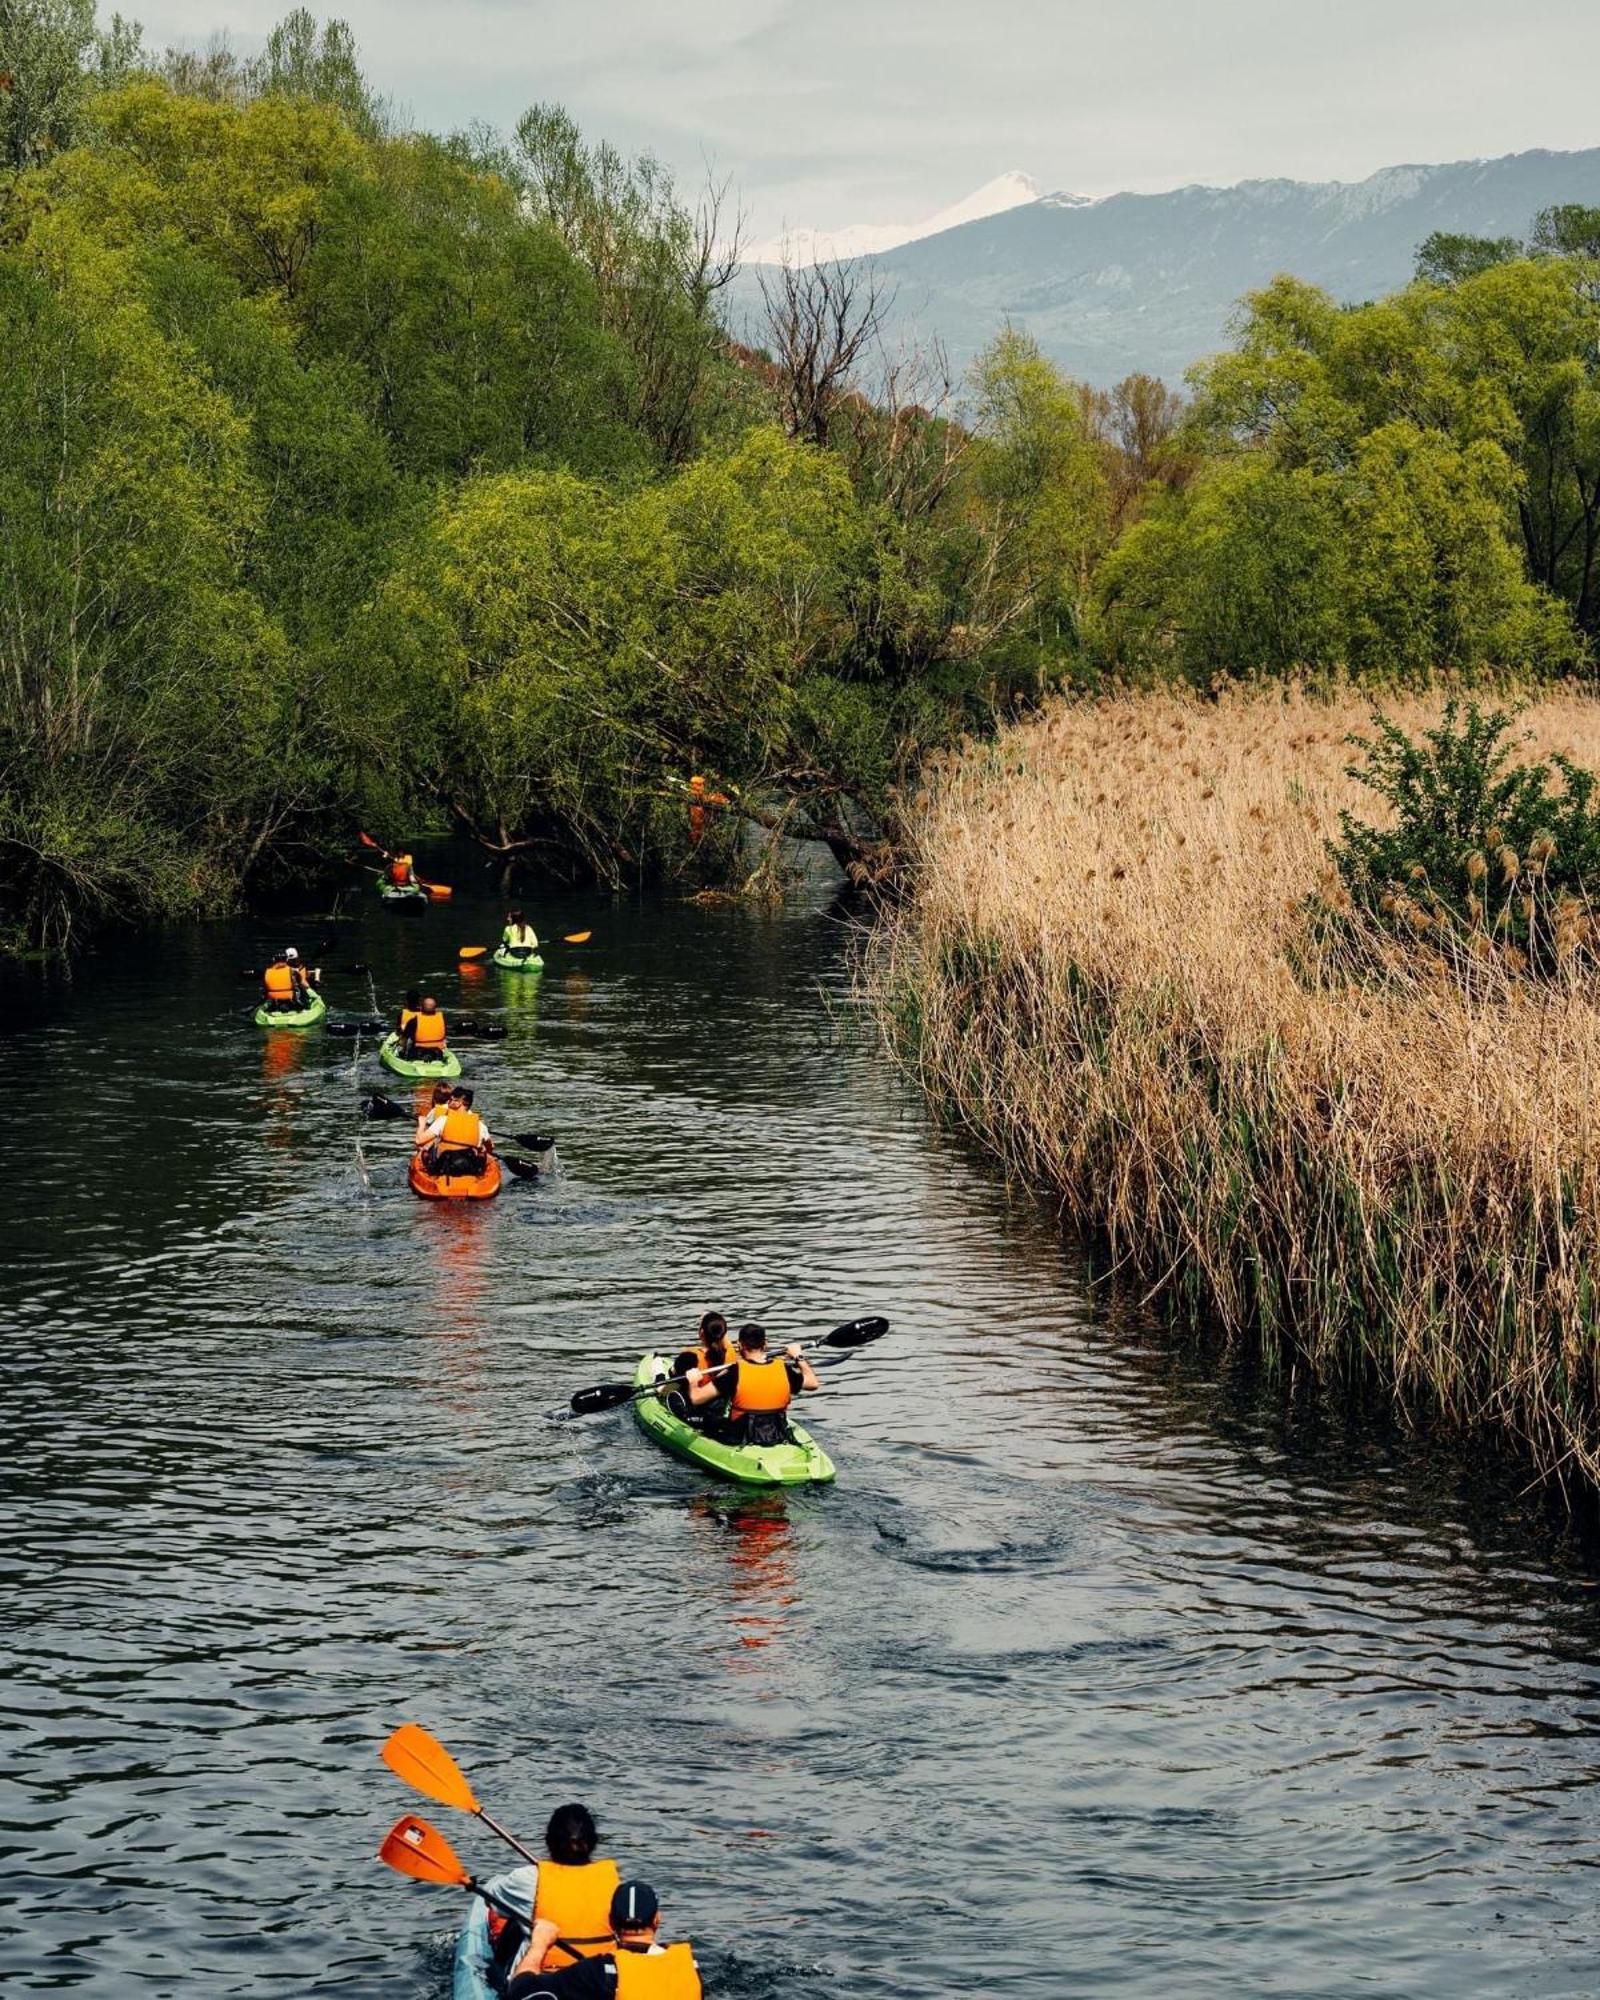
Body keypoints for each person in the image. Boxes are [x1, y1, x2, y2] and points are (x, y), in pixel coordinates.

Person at [507, 1880, 701, 2000]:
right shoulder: (690, 1966)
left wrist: (539, 1944)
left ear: (611, 1922)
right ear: (657, 1919)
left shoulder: (598, 1972)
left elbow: (520, 1992)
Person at [507, 1805, 622, 1984]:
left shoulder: (528, 1878)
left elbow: (491, 1902)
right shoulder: (614, 1882)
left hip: (548, 1981)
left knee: (513, 1920)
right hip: (600, 1981)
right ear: (593, 1843)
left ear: (548, 1842)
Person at [688, 1323, 819, 1447]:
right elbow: (813, 1383)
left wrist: (693, 1381)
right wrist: (798, 1356)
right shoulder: (783, 1369)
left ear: (739, 1345)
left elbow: (697, 1398)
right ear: (765, 1344)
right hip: (777, 1433)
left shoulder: (734, 1372)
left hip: (741, 1436)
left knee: (704, 1420)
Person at [423, 1084, 492, 1175]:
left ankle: (430, 1171)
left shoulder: (442, 1119)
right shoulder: (478, 1124)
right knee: (482, 1150)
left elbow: (420, 1140)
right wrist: (483, 1149)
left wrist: (421, 1124)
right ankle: (479, 1173)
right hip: (469, 1163)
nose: (449, 1102)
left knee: (428, 1147)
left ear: (459, 1102)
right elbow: (491, 1147)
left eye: (451, 1100)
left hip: (446, 1164)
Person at [260, 948, 313, 1014]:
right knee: (301, 988)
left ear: (273, 960)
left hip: (273, 1004)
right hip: (291, 1003)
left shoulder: (266, 972)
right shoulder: (293, 972)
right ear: (286, 960)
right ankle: (303, 1008)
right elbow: (306, 985)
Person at [401, 995, 448, 1063]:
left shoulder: (414, 1021)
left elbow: (404, 1040)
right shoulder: (442, 1020)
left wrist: (403, 1051)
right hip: (437, 1053)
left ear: (421, 1008)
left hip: (418, 1054)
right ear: (435, 1008)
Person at [414, 1082, 452, 1147]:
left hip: (437, 1141)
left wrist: (421, 1122)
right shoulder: (453, 1111)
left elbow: (427, 1123)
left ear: (434, 1100)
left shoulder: (434, 1111)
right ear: (449, 1100)